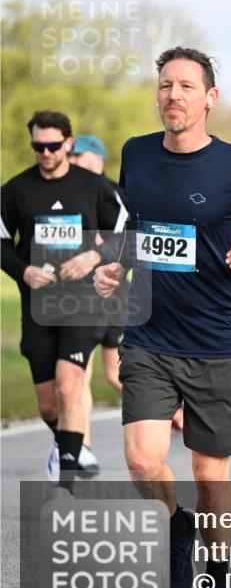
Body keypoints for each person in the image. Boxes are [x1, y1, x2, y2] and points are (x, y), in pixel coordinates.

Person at [93, 47, 231, 588]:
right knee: (144, 460)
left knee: (210, 475)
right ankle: (178, 525)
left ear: (210, 99)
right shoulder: (136, 154)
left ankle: (219, 587)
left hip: (217, 343)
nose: (172, 95)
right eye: (164, 85)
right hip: (149, 333)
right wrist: (113, 266)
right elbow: (134, 229)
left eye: (185, 86)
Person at [1, 110, 125, 490]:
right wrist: (23, 271)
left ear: (68, 144)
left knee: (70, 385)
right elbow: (2, 244)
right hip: (38, 306)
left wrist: (94, 256)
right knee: (49, 404)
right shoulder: (15, 191)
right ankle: (69, 446)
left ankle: (66, 485)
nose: (46, 152)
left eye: (54, 145)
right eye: (39, 146)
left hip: (84, 302)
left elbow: (124, 233)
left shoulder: (94, 187)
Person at [69, 134, 128, 475]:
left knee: (112, 372)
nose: (75, 162)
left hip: (111, 292)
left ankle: (171, 410)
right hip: (77, 295)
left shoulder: (112, 194)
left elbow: (126, 241)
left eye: (81, 157)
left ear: (98, 160)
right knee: (84, 373)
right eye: (73, 157)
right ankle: (83, 448)